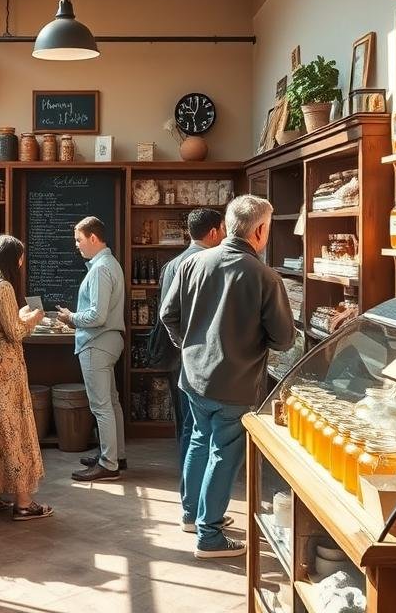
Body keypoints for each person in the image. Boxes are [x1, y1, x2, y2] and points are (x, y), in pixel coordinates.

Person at [160, 195, 294, 558]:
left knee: (200, 440)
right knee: (223, 453)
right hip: (235, 382)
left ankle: (193, 514)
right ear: (261, 230)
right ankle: (210, 534)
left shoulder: (193, 263)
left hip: (194, 376)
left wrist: (188, 346)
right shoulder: (266, 276)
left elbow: (167, 315)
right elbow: (284, 339)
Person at [0, 234, 54, 521]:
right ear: (11, 259)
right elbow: (14, 333)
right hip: (5, 371)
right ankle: (23, 503)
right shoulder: (3, 287)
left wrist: (19, 315)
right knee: (14, 432)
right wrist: (34, 318)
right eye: (20, 257)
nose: (22, 262)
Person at [153, 208, 225, 523]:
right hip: (202, 359)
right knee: (198, 429)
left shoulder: (173, 264)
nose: (223, 235)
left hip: (178, 356)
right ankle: (196, 501)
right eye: (222, 229)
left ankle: (190, 496)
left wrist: (181, 343)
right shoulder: (215, 264)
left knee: (186, 425)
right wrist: (193, 345)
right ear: (213, 232)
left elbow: (166, 313)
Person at [56, 216, 127, 482]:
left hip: (97, 342)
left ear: (93, 238)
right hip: (109, 341)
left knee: (101, 406)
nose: (77, 246)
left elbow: (96, 316)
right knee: (112, 402)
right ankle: (116, 454)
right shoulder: (109, 264)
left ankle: (108, 464)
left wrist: (71, 318)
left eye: (79, 240)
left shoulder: (99, 269)